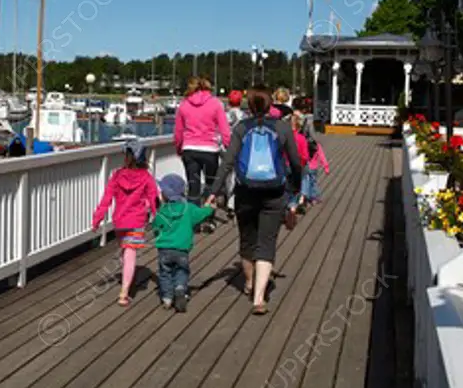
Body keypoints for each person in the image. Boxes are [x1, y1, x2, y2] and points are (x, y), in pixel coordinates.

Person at [209, 85, 304, 315]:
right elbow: (295, 161)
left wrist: (214, 190)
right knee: (267, 242)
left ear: (249, 105)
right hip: (274, 191)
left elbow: (228, 162)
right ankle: (259, 298)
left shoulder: (242, 128)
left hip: (246, 192)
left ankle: (250, 283)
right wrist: (295, 188)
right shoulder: (282, 127)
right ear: (271, 104)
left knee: (247, 239)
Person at [91, 139, 159, 306]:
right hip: (136, 220)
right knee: (130, 253)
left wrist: (97, 218)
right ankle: (124, 292)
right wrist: (159, 219)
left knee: (125, 251)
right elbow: (154, 199)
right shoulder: (146, 177)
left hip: (120, 221)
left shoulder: (117, 175)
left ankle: (126, 282)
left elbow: (106, 199)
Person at [152, 173, 215, 313]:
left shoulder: (162, 211)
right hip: (182, 249)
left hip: (164, 249)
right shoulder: (189, 209)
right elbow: (202, 214)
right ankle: (180, 289)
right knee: (182, 271)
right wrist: (209, 207)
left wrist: (158, 234)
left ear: (165, 195)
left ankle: (167, 298)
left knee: (165, 273)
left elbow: (155, 227)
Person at [173, 75, 231, 214]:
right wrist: (228, 146)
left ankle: (193, 219)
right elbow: (225, 130)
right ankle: (208, 217)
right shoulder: (216, 103)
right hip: (210, 149)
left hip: (189, 149)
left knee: (193, 186)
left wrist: (179, 148)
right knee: (211, 185)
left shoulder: (184, 105)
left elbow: (178, 131)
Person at [302, 133, 330, 205]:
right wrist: (326, 168)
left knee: (306, 182)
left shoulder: (305, 144)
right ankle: (314, 198)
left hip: (306, 166)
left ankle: (306, 197)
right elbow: (322, 157)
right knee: (313, 182)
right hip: (314, 168)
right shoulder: (318, 146)